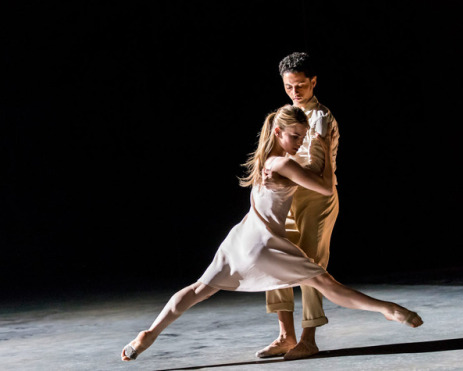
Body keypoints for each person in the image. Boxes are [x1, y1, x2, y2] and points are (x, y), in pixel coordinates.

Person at [121, 105, 423, 362]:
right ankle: (389, 309)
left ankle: (148, 335)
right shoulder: (283, 162)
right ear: (277, 131)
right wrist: (323, 140)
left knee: (199, 289)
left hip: (240, 237)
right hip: (262, 241)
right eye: (294, 137)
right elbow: (325, 187)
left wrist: (312, 141)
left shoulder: (265, 159)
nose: (297, 143)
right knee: (325, 283)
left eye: (301, 138)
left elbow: (302, 167)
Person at [256, 52, 340, 360]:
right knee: (275, 257)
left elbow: (317, 171)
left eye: (301, 85)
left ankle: (309, 338)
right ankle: (285, 336)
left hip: (317, 198)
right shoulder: (283, 115)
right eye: (289, 86)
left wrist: (283, 168)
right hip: (287, 197)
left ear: (314, 82)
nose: (295, 92)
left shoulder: (321, 118)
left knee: (309, 266)